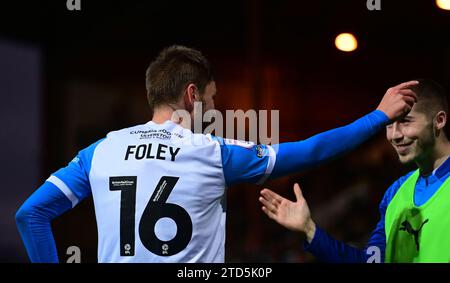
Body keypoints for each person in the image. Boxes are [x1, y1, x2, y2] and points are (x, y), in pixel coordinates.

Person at [15, 45, 417, 263]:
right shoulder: (211, 152)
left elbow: (30, 214)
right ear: (192, 96)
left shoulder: (99, 151)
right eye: (212, 99)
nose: (215, 109)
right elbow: (309, 153)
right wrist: (376, 117)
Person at [259, 79, 450, 263]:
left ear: (439, 120)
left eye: (406, 122)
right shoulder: (396, 192)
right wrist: (310, 230)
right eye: (389, 124)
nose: (394, 135)